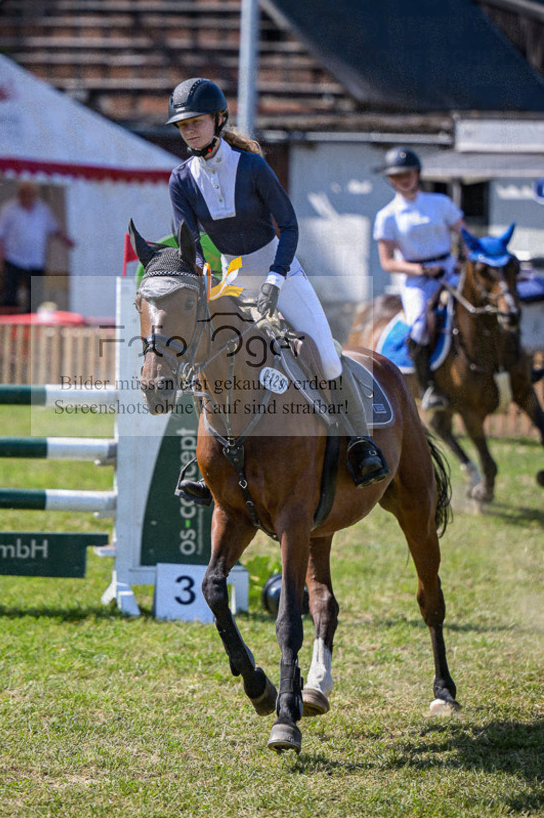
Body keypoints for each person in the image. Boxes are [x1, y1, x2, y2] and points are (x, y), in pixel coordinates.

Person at [165, 76, 389, 503]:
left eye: (196, 121)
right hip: (228, 276)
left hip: (278, 269)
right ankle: (205, 462)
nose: (189, 130)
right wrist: (200, 277)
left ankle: (361, 445)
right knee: (203, 360)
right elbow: (188, 243)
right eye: (182, 125)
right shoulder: (181, 179)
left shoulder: (251, 167)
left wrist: (274, 278)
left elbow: (288, 226)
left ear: (218, 120)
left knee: (323, 352)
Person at [373, 146, 465, 410]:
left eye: (409, 173)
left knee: (484, 303)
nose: (405, 178)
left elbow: (464, 234)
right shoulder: (387, 216)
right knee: (420, 326)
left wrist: (464, 260)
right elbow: (387, 261)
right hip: (417, 278)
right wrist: (421, 271)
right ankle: (429, 388)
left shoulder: (441, 203)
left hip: (450, 267)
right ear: (391, 179)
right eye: (398, 174)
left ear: (418, 174)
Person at [0, 182, 74, 312]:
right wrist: (1, 258)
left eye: (30, 194)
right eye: (24, 193)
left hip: (36, 259)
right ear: (19, 194)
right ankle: (8, 324)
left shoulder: (43, 209)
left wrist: (66, 240)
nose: (27, 197)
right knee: (9, 296)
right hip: (14, 258)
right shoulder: (8, 208)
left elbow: (54, 228)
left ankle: (31, 325)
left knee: (35, 297)